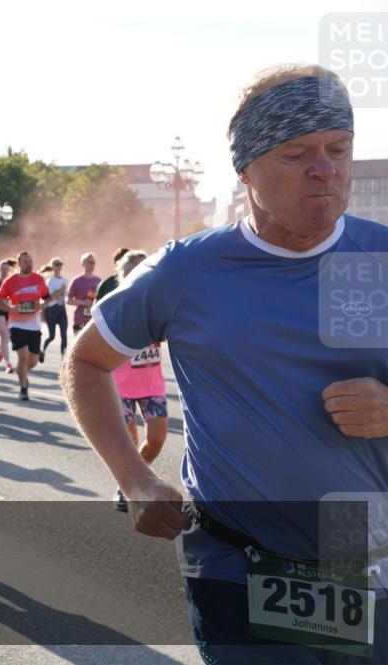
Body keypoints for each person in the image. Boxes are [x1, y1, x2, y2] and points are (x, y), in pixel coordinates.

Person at [62, 64, 388, 663]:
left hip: (365, 561)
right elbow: (85, 362)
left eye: (338, 149)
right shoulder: (187, 271)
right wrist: (134, 478)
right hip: (236, 560)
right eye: (297, 153)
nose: (325, 170)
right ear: (246, 171)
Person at [94, 250, 169, 512]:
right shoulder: (114, 304)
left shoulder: (160, 302)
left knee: (157, 440)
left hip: (152, 385)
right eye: (135, 268)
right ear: (123, 274)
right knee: (128, 442)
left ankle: (133, 477)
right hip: (121, 386)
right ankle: (126, 486)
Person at [0, 252, 49, 401]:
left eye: (30, 261)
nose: (29, 264)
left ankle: (22, 373)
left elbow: (47, 298)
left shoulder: (39, 279)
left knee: (33, 361)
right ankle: (23, 389)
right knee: (23, 356)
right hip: (17, 324)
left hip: (34, 326)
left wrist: (42, 304)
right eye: (25, 262)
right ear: (19, 264)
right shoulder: (11, 281)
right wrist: (10, 309)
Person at [41, 257, 69, 362]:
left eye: (60, 264)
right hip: (51, 309)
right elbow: (50, 297)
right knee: (52, 336)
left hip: (61, 309)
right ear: (52, 266)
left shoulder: (65, 280)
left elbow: (67, 295)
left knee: (64, 335)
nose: (58, 266)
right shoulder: (50, 281)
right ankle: (43, 350)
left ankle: (63, 360)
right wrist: (60, 290)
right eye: (56, 264)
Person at [66, 252, 100, 334]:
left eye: (93, 263)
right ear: (83, 264)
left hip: (94, 322)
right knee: (79, 345)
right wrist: (83, 303)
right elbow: (68, 301)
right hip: (80, 321)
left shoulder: (98, 281)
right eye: (89, 262)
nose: (91, 265)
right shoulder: (77, 281)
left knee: (93, 346)